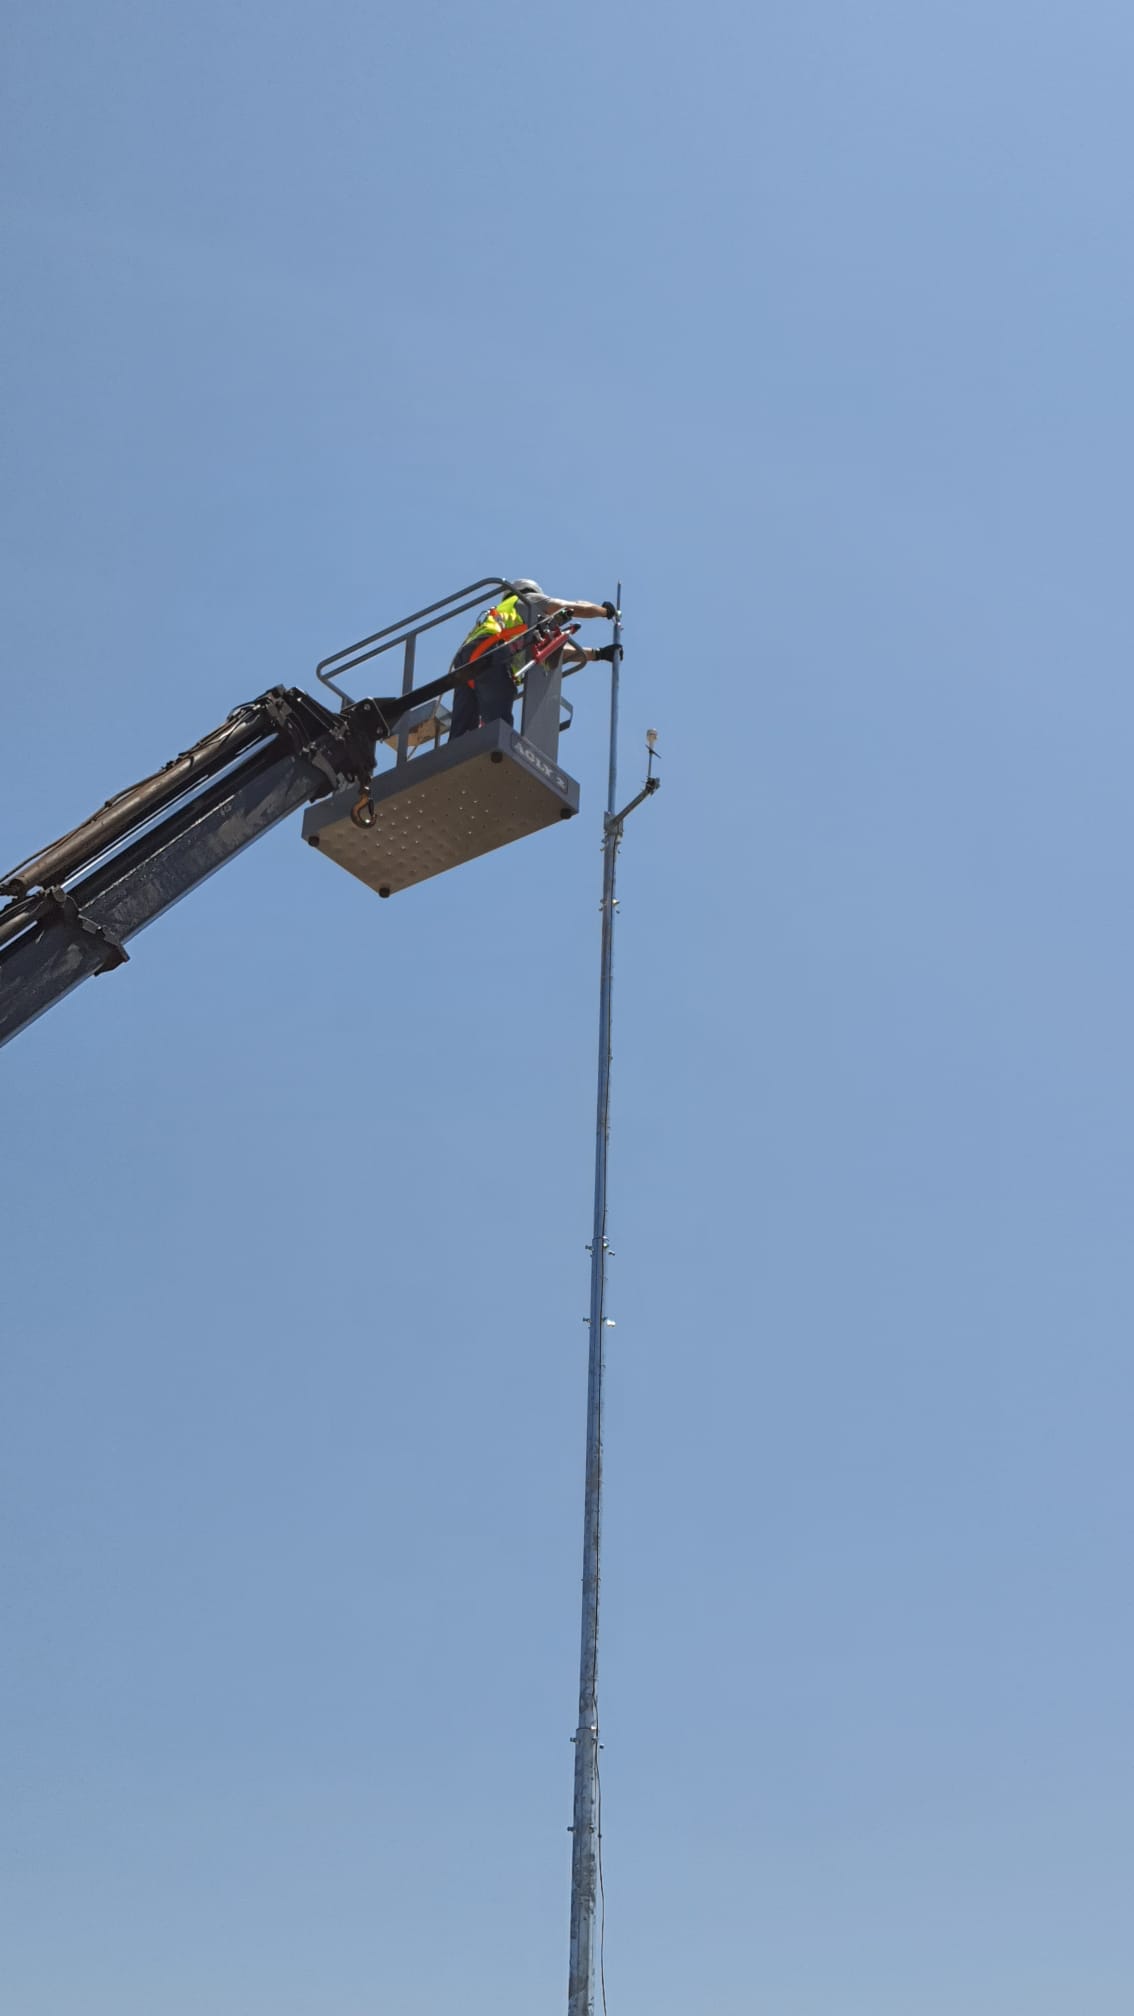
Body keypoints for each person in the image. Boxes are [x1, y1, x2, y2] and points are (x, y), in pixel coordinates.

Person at [448, 580, 617, 741]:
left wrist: (598, 653)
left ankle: (456, 754)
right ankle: (496, 752)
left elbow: (556, 650)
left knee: (461, 732)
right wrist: (604, 611)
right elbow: (572, 607)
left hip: (466, 658)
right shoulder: (528, 600)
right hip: (492, 655)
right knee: (498, 724)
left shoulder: (510, 619)